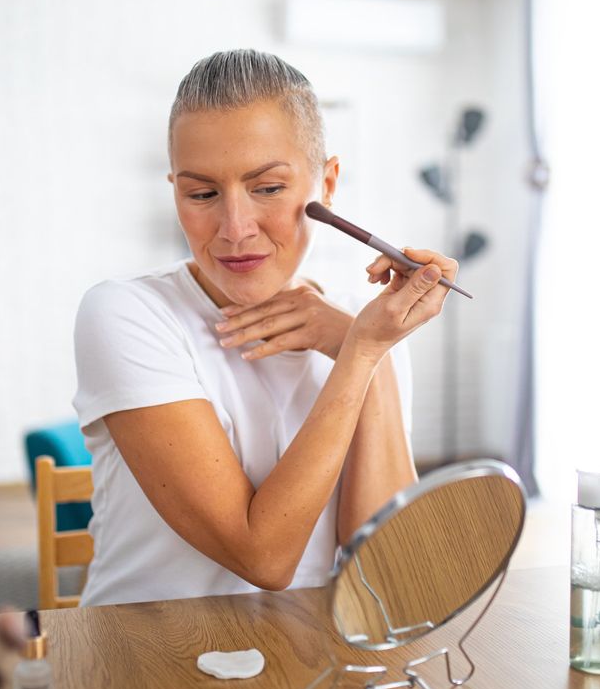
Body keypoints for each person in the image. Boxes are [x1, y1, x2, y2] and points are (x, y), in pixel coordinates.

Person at [72, 49, 458, 606]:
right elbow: (264, 558)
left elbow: (384, 580)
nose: (234, 228)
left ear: (326, 184)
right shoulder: (125, 315)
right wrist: (360, 351)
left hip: (311, 656)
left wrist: (364, 348)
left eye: (268, 188)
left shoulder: (367, 321)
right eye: (201, 193)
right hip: (150, 653)